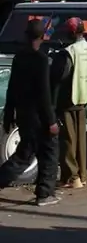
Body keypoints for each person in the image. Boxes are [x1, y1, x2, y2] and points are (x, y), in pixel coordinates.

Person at [0, 19, 60, 206]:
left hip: (23, 115)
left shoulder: (19, 58)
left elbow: (11, 89)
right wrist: (51, 121)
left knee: (25, 153)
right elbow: (44, 93)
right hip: (39, 118)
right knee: (48, 153)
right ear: (43, 36)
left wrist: (8, 116)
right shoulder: (41, 60)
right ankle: (45, 194)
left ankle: (43, 192)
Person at [51, 17, 87, 189]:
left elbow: (60, 76)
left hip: (67, 100)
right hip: (83, 98)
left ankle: (72, 178)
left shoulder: (68, 52)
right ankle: (82, 176)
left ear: (71, 32)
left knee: (68, 141)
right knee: (80, 141)